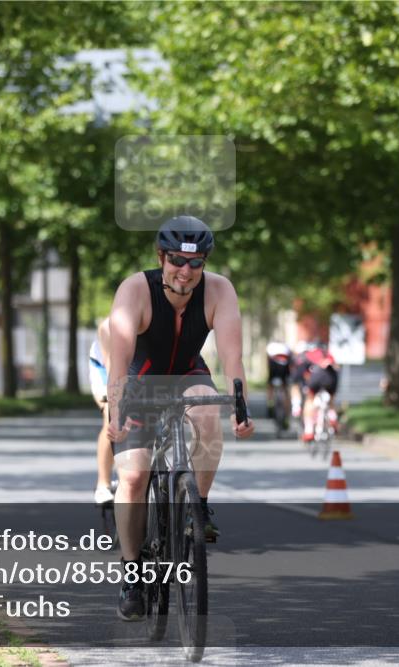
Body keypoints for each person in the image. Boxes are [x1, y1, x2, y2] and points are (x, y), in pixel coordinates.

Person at [106, 215, 255, 621]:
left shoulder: (219, 290)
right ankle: (132, 574)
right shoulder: (135, 290)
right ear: (161, 257)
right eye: (176, 260)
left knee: (207, 405)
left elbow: (232, 357)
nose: (185, 271)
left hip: (188, 373)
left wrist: (240, 406)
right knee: (133, 476)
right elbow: (118, 360)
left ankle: (198, 507)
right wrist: (116, 410)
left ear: (205, 263)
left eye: (195, 263)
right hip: (140, 380)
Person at [89, 317, 116, 505]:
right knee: (111, 413)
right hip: (106, 368)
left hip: (136, 369)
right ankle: (103, 484)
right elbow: (112, 368)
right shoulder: (109, 328)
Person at [292, 340, 339, 442]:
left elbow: (301, 373)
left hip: (317, 377)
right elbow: (336, 367)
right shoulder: (328, 354)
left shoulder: (308, 355)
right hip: (331, 377)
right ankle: (333, 418)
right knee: (331, 400)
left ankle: (309, 431)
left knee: (309, 400)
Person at [265, 341, 292, 424]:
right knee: (285, 390)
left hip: (273, 366)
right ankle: (287, 416)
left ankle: (270, 403)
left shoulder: (271, 346)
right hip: (284, 366)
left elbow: (267, 360)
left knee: (270, 385)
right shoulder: (286, 347)